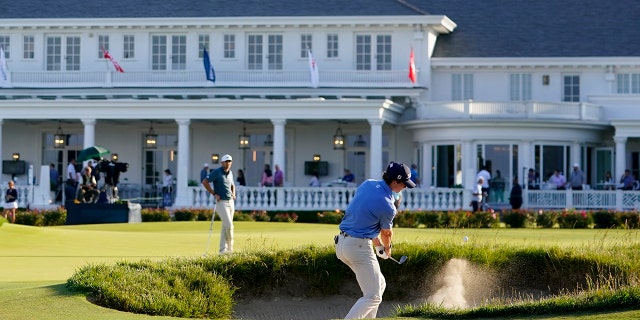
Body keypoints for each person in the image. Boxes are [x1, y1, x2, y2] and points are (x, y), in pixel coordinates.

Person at [336, 162, 415, 319]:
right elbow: (387, 233)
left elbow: (365, 219)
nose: (405, 187)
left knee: (379, 285)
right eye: (404, 184)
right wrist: (387, 248)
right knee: (373, 296)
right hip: (358, 248)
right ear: (395, 182)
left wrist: (378, 246)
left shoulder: (368, 184)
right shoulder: (388, 206)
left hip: (342, 245)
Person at [202, 154, 236, 254]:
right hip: (221, 202)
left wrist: (233, 194)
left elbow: (232, 184)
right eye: (226, 161)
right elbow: (205, 182)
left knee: (225, 226)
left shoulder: (230, 173)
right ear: (222, 163)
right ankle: (230, 249)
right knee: (229, 226)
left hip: (231, 202)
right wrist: (214, 193)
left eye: (229, 161)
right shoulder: (217, 172)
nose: (228, 163)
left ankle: (222, 250)